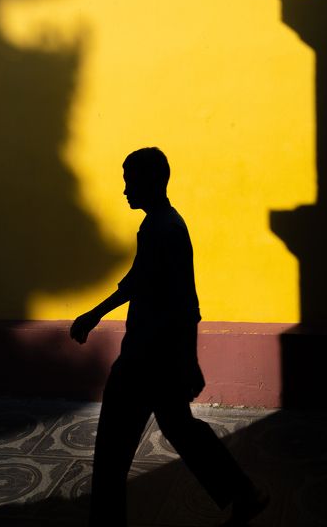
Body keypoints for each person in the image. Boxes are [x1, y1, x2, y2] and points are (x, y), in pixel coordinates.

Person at [70, 147, 268, 526]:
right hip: (157, 357)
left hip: (145, 359)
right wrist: (96, 315)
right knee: (181, 429)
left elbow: (182, 301)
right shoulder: (160, 226)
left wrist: (95, 314)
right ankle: (245, 493)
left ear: (150, 181)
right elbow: (142, 284)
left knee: (113, 446)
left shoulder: (165, 229)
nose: (125, 189)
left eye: (130, 180)